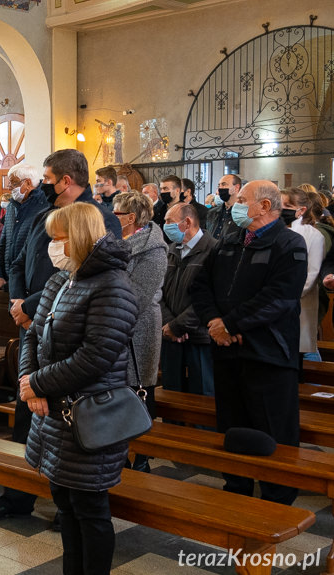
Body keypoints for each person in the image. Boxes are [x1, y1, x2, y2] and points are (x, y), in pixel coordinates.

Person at [0, 149, 121, 524]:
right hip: (33, 323)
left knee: (67, 426)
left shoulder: (99, 217)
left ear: (66, 180)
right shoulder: (43, 214)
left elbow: (80, 273)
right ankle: (17, 498)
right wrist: (18, 301)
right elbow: (19, 259)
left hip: (66, 328)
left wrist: (32, 305)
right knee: (27, 417)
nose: (43, 185)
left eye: (48, 178)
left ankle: (65, 505)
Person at [19, 202, 138, 575]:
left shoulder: (114, 286)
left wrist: (37, 382)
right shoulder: (60, 280)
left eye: (59, 238)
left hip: (90, 414)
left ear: (81, 237)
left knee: (90, 509)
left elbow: (95, 357)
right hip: (53, 413)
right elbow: (32, 335)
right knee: (65, 504)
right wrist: (30, 384)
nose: (52, 246)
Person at [192, 180, 306, 505]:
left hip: (269, 354)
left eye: (242, 199)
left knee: (274, 430)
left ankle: (277, 497)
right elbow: (200, 286)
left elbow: (279, 298)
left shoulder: (289, 244)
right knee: (231, 426)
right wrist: (215, 323)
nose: (235, 204)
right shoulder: (229, 242)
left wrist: (231, 323)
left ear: (265, 207)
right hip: (227, 352)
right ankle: (237, 487)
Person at [112, 191, 167, 472]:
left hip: (138, 328)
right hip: (112, 324)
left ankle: (142, 456)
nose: (111, 217)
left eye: (116, 212)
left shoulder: (153, 250)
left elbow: (136, 294)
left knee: (139, 391)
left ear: (130, 218)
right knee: (116, 393)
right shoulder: (113, 243)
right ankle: (117, 454)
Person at [160, 202, 216, 397]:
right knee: (171, 396)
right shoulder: (169, 250)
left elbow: (211, 296)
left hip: (199, 336)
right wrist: (169, 323)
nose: (165, 225)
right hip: (170, 336)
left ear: (188, 222)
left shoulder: (213, 250)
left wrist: (180, 325)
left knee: (202, 398)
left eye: (169, 221)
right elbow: (157, 292)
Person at [0, 163, 48, 291]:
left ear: (27, 183)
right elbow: (3, 243)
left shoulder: (45, 207)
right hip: (9, 281)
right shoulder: (11, 207)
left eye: (13, 183)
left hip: (31, 283)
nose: (9, 187)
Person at [281, 187, 324, 361]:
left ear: (301, 210)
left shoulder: (314, 236)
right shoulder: (275, 231)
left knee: (295, 355)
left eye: (288, 205)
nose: (282, 208)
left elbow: (311, 275)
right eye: (281, 204)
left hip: (297, 303)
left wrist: (283, 296)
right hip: (273, 305)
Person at [207, 174, 242, 241]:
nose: (220, 188)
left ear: (236, 187)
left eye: (224, 184)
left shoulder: (242, 214)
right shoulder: (212, 212)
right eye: (219, 185)